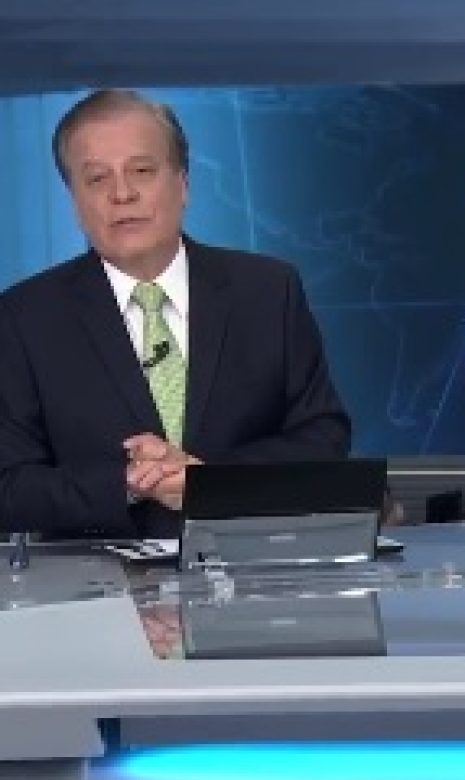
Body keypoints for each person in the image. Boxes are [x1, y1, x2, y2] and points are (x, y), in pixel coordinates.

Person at [0, 89, 350, 538]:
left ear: (183, 184)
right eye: (97, 179)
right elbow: (11, 487)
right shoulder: (26, 318)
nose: (122, 194)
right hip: (98, 576)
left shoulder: (267, 291)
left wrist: (207, 480)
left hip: (248, 563)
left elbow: (323, 438)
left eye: (142, 171)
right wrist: (129, 484)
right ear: (74, 201)